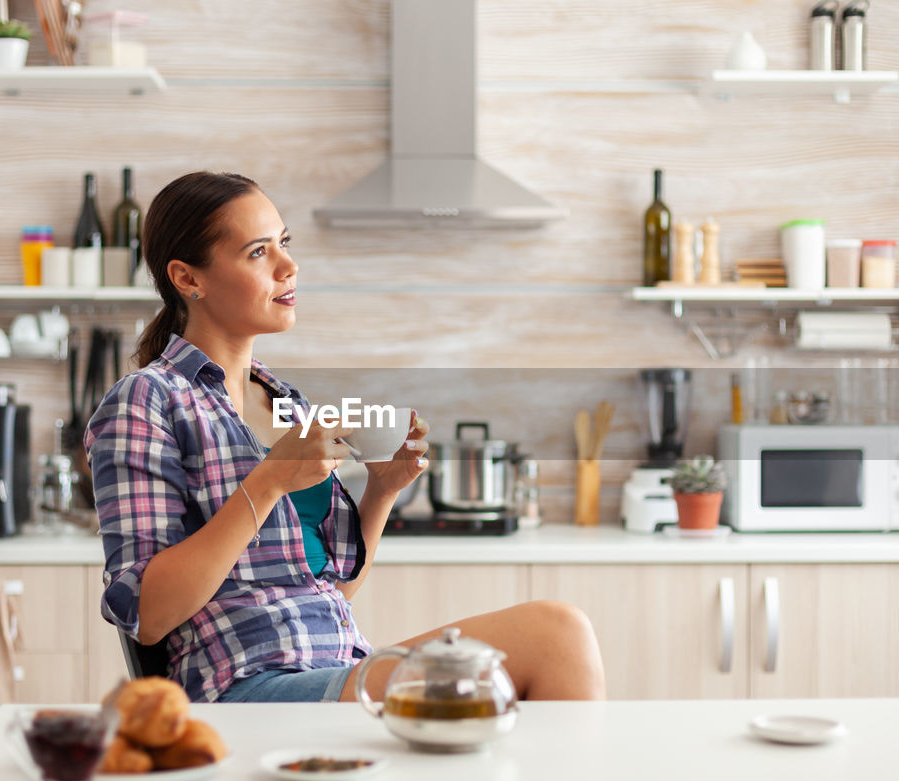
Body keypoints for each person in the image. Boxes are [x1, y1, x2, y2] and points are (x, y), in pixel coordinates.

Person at [86, 171, 606, 703]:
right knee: (554, 633)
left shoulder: (287, 404)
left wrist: (382, 492)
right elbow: (146, 615)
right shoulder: (148, 400)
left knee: (558, 638)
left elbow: (331, 591)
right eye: (258, 252)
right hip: (241, 686)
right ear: (187, 278)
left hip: (333, 664)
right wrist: (268, 482)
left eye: (284, 243)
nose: (289, 267)